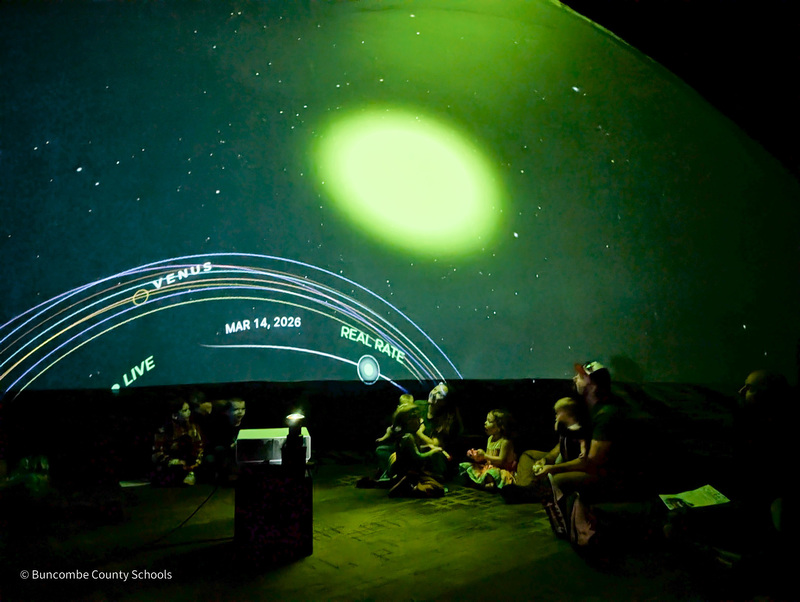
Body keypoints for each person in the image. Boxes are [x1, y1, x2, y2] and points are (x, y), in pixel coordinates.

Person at [385, 403, 446, 498]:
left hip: (407, 471)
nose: (420, 422)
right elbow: (418, 456)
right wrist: (433, 452)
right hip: (410, 473)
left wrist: (426, 447)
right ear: (409, 421)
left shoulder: (404, 435)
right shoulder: (408, 437)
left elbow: (411, 450)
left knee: (437, 480)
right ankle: (409, 487)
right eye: (417, 419)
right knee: (438, 489)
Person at [459, 409, 517, 491]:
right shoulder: (490, 439)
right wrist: (476, 456)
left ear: (499, 427)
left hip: (501, 470)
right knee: (466, 466)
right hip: (488, 467)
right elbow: (487, 459)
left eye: (489, 421)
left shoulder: (505, 442)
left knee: (492, 473)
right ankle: (484, 483)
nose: (485, 423)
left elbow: (501, 460)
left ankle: (488, 484)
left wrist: (485, 455)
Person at [151, 398, 204, 486]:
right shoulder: (165, 430)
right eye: (185, 410)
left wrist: (196, 463)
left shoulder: (192, 427)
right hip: (172, 463)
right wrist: (173, 461)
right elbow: (157, 452)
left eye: (189, 409)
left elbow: (199, 447)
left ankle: (190, 473)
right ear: (175, 415)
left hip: (191, 462)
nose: (189, 412)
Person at [416, 382, 462, 478]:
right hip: (415, 448)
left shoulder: (446, 419)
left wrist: (419, 432)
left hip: (434, 455)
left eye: (440, 394)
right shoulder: (418, 406)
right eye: (434, 390)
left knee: (434, 454)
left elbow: (435, 444)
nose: (434, 394)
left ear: (445, 401)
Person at [203, 398, 247, 484]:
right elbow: (216, 444)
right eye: (236, 409)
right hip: (226, 453)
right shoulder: (220, 425)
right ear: (227, 412)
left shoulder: (247, 424)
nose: (240, 412)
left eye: (243, 409)